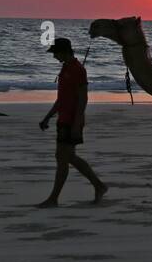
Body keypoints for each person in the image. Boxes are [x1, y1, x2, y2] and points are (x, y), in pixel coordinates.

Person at [37, 38, 107, 208]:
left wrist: (77, 123)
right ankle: (98, 185)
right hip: (63, 119)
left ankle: (54, 199)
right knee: (66, 157)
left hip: (71, 120)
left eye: (56, 53)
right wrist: (48, 117)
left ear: (65, 51)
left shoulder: (78, 69)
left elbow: (83, 98)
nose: (54, 56)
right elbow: (61, 99)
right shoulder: (65, 68)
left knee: (63, 157)